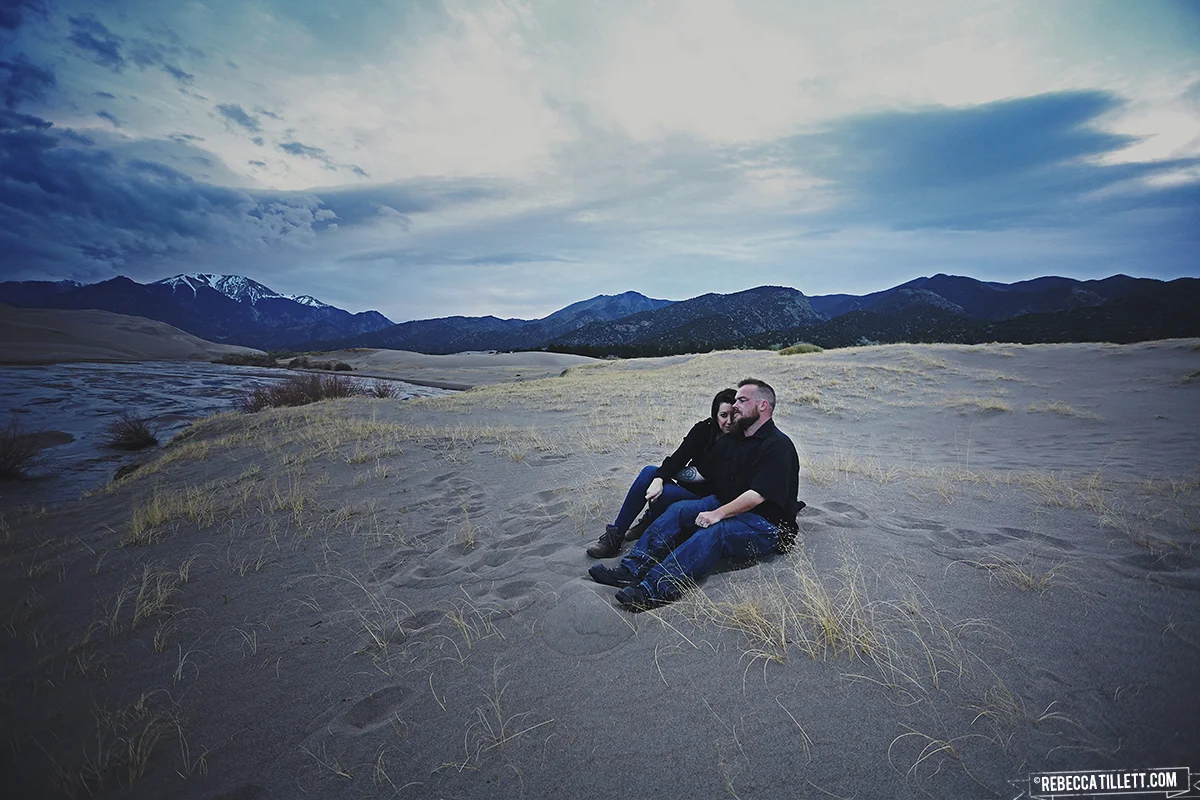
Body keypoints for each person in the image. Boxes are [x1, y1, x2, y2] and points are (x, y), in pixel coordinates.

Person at [588, 378, 801, 611]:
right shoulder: (735, 440)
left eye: (742, 400)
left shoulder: (778, 445)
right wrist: (660, 476)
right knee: (679, 510)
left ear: (763, 406)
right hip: (725, 504)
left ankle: (654, 589)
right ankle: (630, 570)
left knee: (716, 531)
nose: (736, 405)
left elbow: (757, 495)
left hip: (767, 524)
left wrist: (716, 514)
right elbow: (700, 472)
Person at [586, 389, 736, 558]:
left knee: (662, 492)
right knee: (650, 472)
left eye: (734, 415)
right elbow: (678, 457)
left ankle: (651, 519)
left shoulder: (739, 441)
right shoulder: (703, 429)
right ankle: (616, 535)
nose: (729, 421)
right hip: (686, 489)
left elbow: (705, 475)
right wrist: (659, 478)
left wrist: (669, 474)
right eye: (723, 415)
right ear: (715, 414)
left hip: (706, 501)